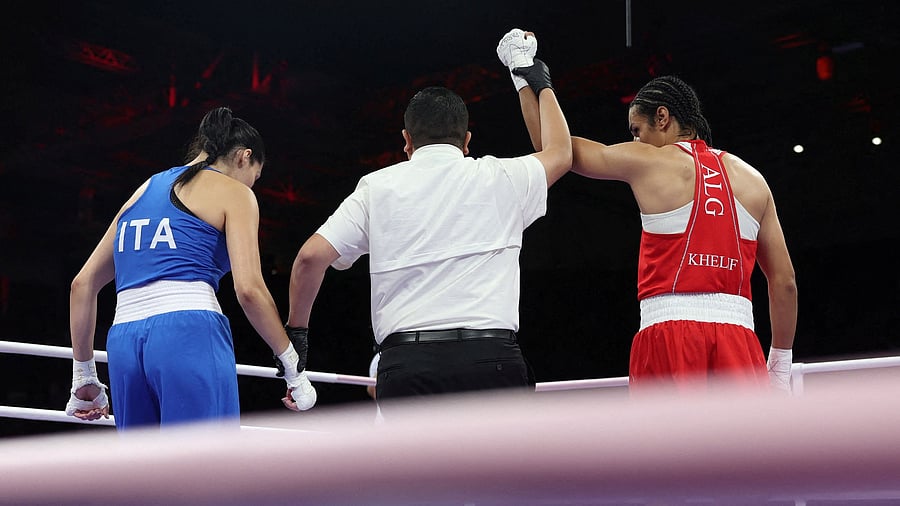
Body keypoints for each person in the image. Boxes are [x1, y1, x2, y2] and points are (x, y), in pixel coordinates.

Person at [499, 30, 797, 394]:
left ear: (662, 117)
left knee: (670, 451)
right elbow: (784, 283)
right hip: (741, 342)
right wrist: (780, 364)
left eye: (637, 131)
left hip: (669, 337)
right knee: (743, 451)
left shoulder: (649, 160)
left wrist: (528, 78)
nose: (635, 141)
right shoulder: (755, 181)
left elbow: (552, 150)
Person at [285, 75, 572, 412]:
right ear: (466, 141)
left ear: (407, 140)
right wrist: (532, 80)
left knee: (418, 469)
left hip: (409, 366)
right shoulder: (502, 175)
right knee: (495, 468)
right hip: (491, 359)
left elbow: (309, 258)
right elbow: (561, 152)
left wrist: (297, 335)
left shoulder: (377, 187)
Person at [66, 106, 316, 430]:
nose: (251, 187)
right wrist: (293, 368)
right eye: (254, 177)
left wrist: (84, 376)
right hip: (188, 333)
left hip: (124, 343)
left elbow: (81, 284)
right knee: (205, 473)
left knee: (142, 475)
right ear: (244, 157)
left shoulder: (143, 190)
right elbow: (249, 290)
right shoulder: (235, 193)